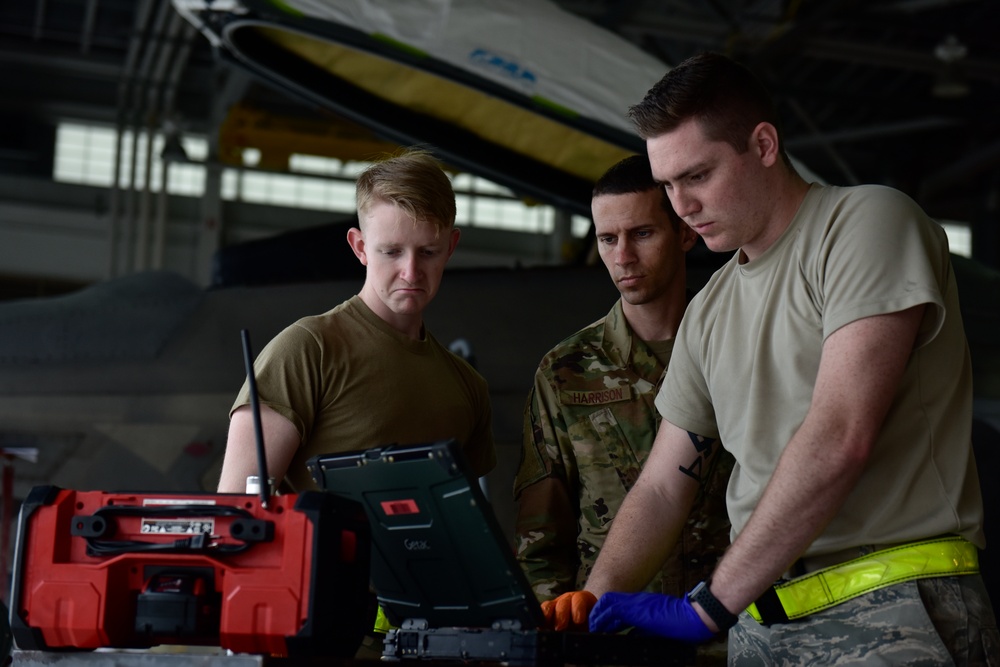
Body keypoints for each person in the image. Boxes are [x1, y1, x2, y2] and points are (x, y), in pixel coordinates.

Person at [550, 52, 998, 665]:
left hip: (893, 616)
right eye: (669, 185)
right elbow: (661, 485)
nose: (681, 204)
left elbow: (841, 434)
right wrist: (591, 608)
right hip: (760, 627)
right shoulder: (709, 309)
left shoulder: (865, 222)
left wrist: (708, 606)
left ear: (763, 145)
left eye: (698, 175)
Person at [513, 154, 732, 607]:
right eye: (608, 239)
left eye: (642, 234)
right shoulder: (564, 371)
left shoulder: (736, 347)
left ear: (686, 232)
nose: (623, 257)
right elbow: (540, 543)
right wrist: (559, 640)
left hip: (732, 635)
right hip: (613, 638)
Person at [217, 148, 496, 494]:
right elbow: (234, 512)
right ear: (360, 246)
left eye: (428, 252)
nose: (411, 272)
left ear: (450, 247)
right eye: (391, 251)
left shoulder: (469, 386)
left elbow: (466, 523)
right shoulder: (306, 352)